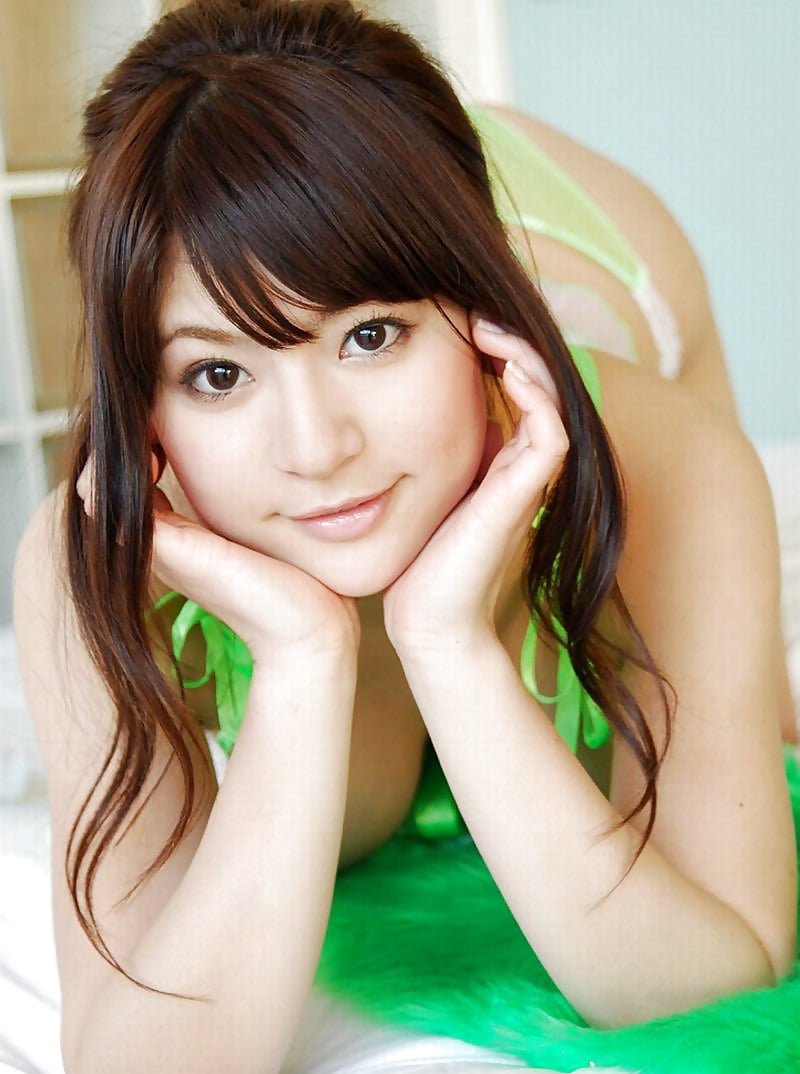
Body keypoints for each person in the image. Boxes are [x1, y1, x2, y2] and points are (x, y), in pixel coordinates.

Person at [11, 1, 796, 1072]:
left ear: (481, 318)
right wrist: (299, 659)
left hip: (592, 264)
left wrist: (447, 644)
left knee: (764, 730)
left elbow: (714, 979)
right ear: (142, 399)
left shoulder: (667, 461)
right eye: (218, 373)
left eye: (370, 335)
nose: (317, 449)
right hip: (354, 217)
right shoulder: (98, 562)